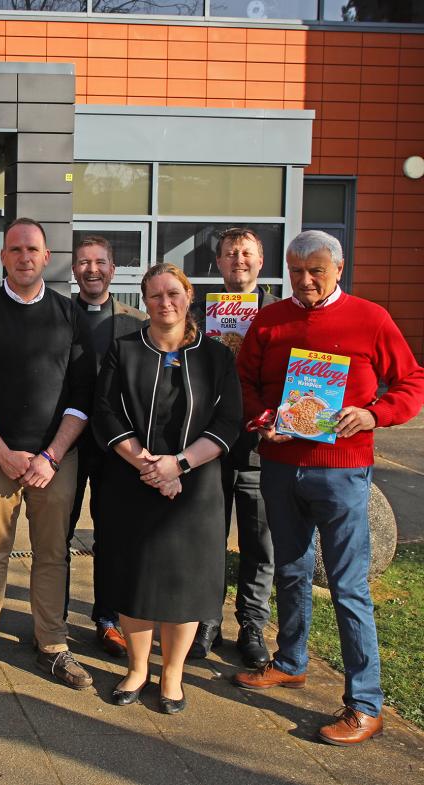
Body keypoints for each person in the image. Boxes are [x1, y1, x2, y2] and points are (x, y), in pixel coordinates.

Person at [233, 231, 424, 745]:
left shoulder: (371, 318)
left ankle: (365, 703)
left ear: (339, 268)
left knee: (348, 586)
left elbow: (411, 381)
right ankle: (292, 659)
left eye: (316, 269)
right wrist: (261, 418)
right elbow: (244, 380)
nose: (306, 280)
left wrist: (372, 414)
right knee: (290, 570)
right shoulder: (269, 321)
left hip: (342, 470)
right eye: (296, 270)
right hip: (280, 464)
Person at [0, 218, 95, 690]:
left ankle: (52, 645)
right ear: (3, 258)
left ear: (47, 257)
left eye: (33, 249)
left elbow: (82, 395)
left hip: (56, 459)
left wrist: (50, 455)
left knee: (52, 554)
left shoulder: (70, 316)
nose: (24, 257)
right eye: (15, 250)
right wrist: (4, 453)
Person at [92, 263, 241, 714]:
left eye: (173, 292)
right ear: (144, 301)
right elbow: (105, 411)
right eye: (154, 295)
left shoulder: (217, 356)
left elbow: (229, 421)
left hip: (196, 487)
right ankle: (137, 669)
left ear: (189, 295)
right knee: (136, 578)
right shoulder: (123, 349)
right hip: (135, 481)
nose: (165, 302)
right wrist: (148, 465)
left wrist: (177, 465)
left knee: (185, 583)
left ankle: (172, 674)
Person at [187, 227, 280, 666]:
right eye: (229, 254)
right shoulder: (200, 318)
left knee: (260, 545)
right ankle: (207, 621)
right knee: (208, 540)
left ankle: (252, 624)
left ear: (260, 262)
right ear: (218, 263)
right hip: (209, 447)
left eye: (246, 253)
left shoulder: (281, 316)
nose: (238, 260)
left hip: (262, 449)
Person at [65, 236, 146, 659]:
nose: (91, 269)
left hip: (118, 448)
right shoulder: (58, 315)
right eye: (83, 263)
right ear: (73, 270)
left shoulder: (137, 322)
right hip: (66, 443)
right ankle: (52, 618)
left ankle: (108, 618)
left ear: (113, 269)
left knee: (112, 535)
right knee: (57, 532)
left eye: (100, 262)